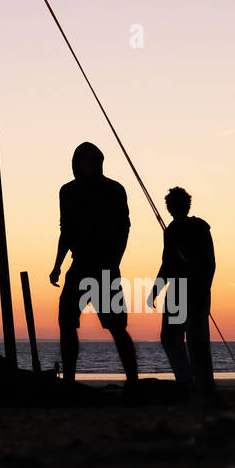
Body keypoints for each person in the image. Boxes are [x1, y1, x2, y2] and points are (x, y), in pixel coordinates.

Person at [50, 142, 138, 386]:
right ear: (76, 165)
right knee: (66, 322)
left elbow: (124, 227)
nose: (87, 165)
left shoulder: (114, 189)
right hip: (79, 266)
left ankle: (133, 381)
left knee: (117, 326)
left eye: (91, 160)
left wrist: (115, 259)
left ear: (99, 163)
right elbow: (65, 230)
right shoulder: (67, 191)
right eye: (82, 160)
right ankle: (68, 380)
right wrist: (57, 265)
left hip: (106, 266)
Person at [148, 187, 216, 396]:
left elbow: (167, 264)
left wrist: (156, 290)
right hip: (196, 292)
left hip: (182, 292)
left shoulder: (174, 230)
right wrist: (204, 289)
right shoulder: (200, 227)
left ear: (170, 207)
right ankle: (202, 385)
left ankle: (188, 383)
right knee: (197, 341)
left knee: (172, 337)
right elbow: (211, 263)